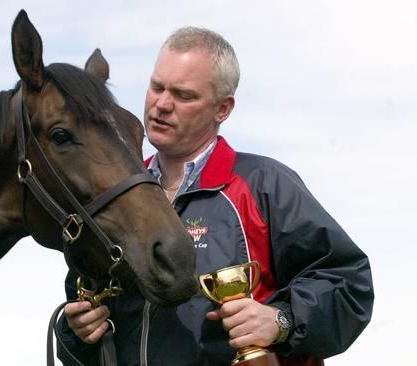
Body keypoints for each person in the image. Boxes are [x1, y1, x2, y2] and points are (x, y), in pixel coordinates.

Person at [56, 26, 374, 365]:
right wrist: (76, 333)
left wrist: (281, 320)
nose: (162, 104)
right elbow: (85, 300)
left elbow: (350, 287)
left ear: (223, 109)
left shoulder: (264, 184)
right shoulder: (113, 195)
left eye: (184, 95)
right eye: (156, 86)